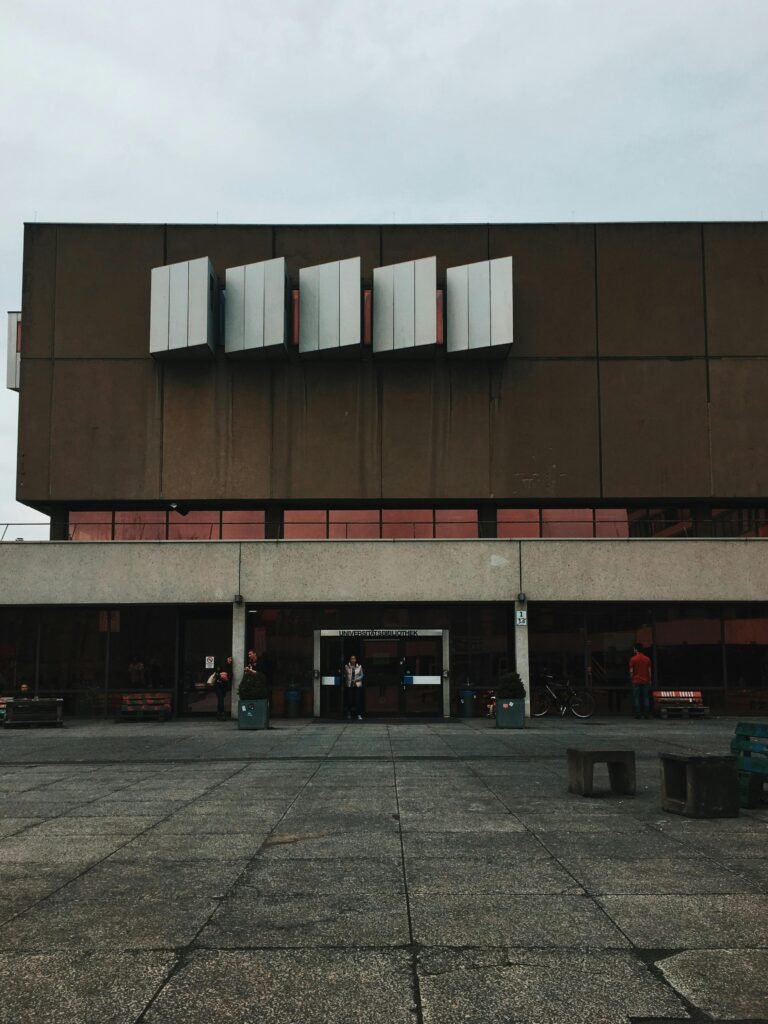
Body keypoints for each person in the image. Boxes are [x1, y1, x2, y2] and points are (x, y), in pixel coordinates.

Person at [628, 643, 653, 719]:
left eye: (634, 649)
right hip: (645, 680)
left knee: (636, 698)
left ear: (636, 649)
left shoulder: (633, 659)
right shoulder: (647, 659)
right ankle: (646, 714)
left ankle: (638, 714)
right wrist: (650, 680)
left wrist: (631, 679)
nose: (633, 650)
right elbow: (649, 671)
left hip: (636, 681)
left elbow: (631, 671)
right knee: (645, 697)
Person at [343, 654, 364, 721]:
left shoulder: (359, 666)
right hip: (349, 685)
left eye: (354, 658)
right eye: (352, 658)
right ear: (350, 659)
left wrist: (356, 680)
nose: (353, 660)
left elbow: (362, 675)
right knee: (350, 700)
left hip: (357, 685)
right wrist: (346, 680)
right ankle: (349, 713)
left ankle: (359, 714)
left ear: (356, 659)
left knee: (358, 700)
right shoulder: (346, 666)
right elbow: (344, 675)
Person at [213, 655, 233, 720]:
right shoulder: (221, 666)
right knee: (221, 699)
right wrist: (221, 676)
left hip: (224, 685)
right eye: (229, 658)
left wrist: (227, 678)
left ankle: (218, 713)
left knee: (220, 699)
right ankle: (223, 713)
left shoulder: (230, 667)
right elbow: (216, 674)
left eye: (231, 659)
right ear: (226, 659)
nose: (230, 660)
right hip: (218, 685)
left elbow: (230, 676)